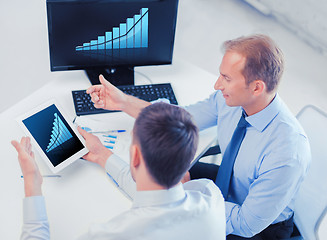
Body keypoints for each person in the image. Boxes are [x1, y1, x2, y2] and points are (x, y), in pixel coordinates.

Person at [87, 34, 311, 239]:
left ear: (256, 88)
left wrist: (183, 198)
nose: (217, 85)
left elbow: (246, 223)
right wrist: (123, 102)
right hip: (228, 185)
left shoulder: (287, 152)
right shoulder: (230, 101)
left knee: (162, 195)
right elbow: (176, 119)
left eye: (226, 78)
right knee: (158, 173)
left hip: (259, 229)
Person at [12, 102, 226, 240]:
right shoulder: (210, 195)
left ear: (134, 156)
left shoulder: (113, 234)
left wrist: (32, 183)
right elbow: (159, 196)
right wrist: (102, 155)